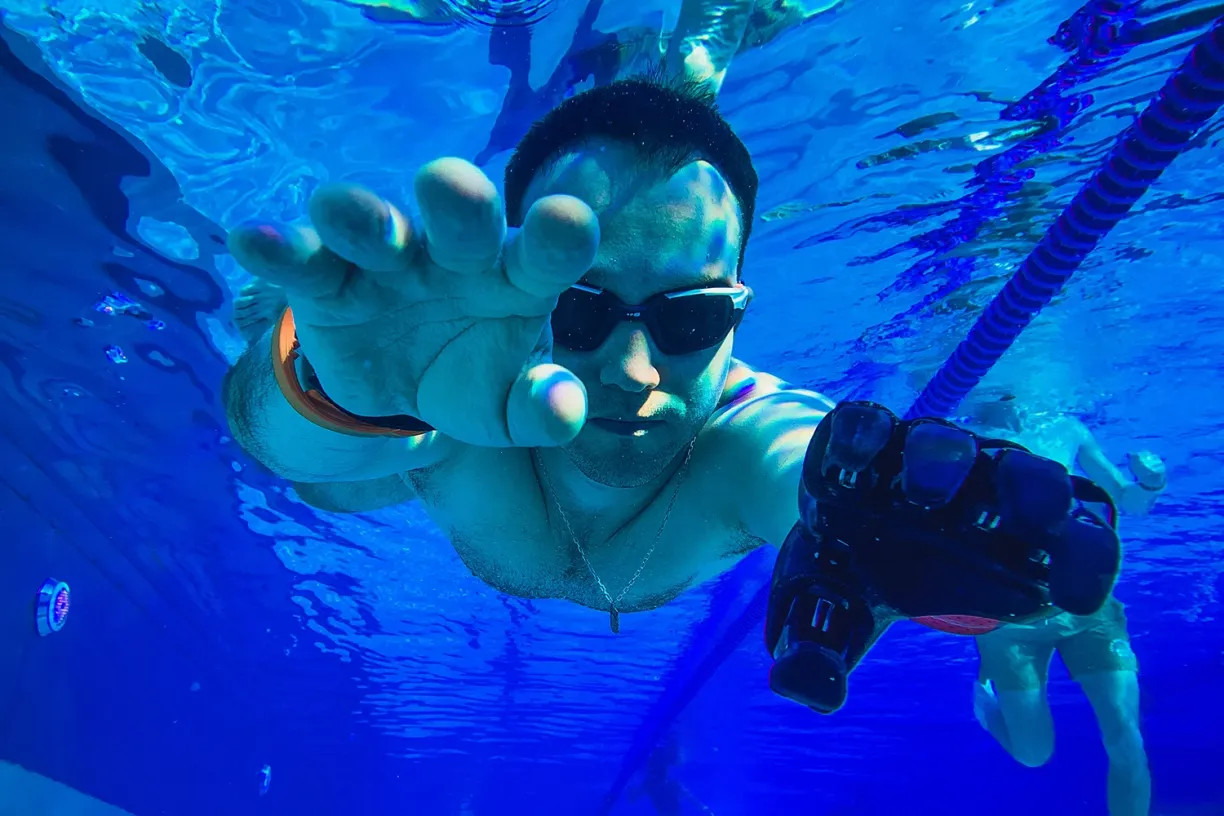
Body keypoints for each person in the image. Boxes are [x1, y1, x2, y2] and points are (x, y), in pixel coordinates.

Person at [221, 75, 1119, 723]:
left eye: (689, 317)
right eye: (578, 307)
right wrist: (341, 391)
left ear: (739, 314)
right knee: (336, 484)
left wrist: (904, 524)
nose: (633, 370)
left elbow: (799, 472)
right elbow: (285, 451)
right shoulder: (454, 397)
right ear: (518, 286)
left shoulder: (750, 439)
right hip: (397, 452)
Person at [963, 394, 1166, 816]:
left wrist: (1151, 483)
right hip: (1009, 623)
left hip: (1088, 609)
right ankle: (985, 704)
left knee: (1125, 738)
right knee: (1032, 753)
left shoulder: (1064, 429)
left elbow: (1127, 500)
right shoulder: (959, 436)